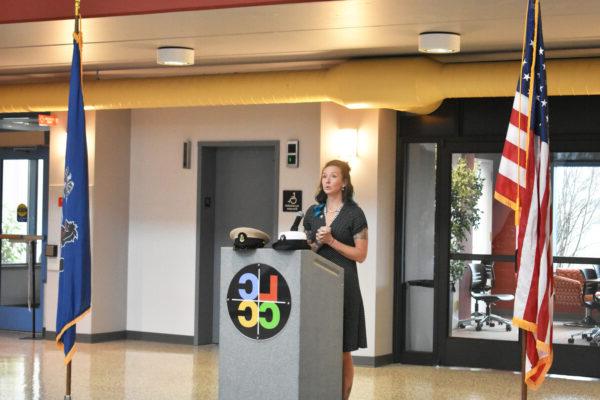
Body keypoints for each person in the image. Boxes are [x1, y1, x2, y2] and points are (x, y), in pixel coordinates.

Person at [303, 159, 368, 400]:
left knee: (342, 350)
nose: (327, 181)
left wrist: (332, 241)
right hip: (316, 285)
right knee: (318, 347)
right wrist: (317, 241)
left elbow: (361, 255)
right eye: (324, 176)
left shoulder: (354, 213)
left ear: (344, 182)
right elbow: (307, 249)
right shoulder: (313, 212)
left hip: (344, 285)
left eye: (333, 176)